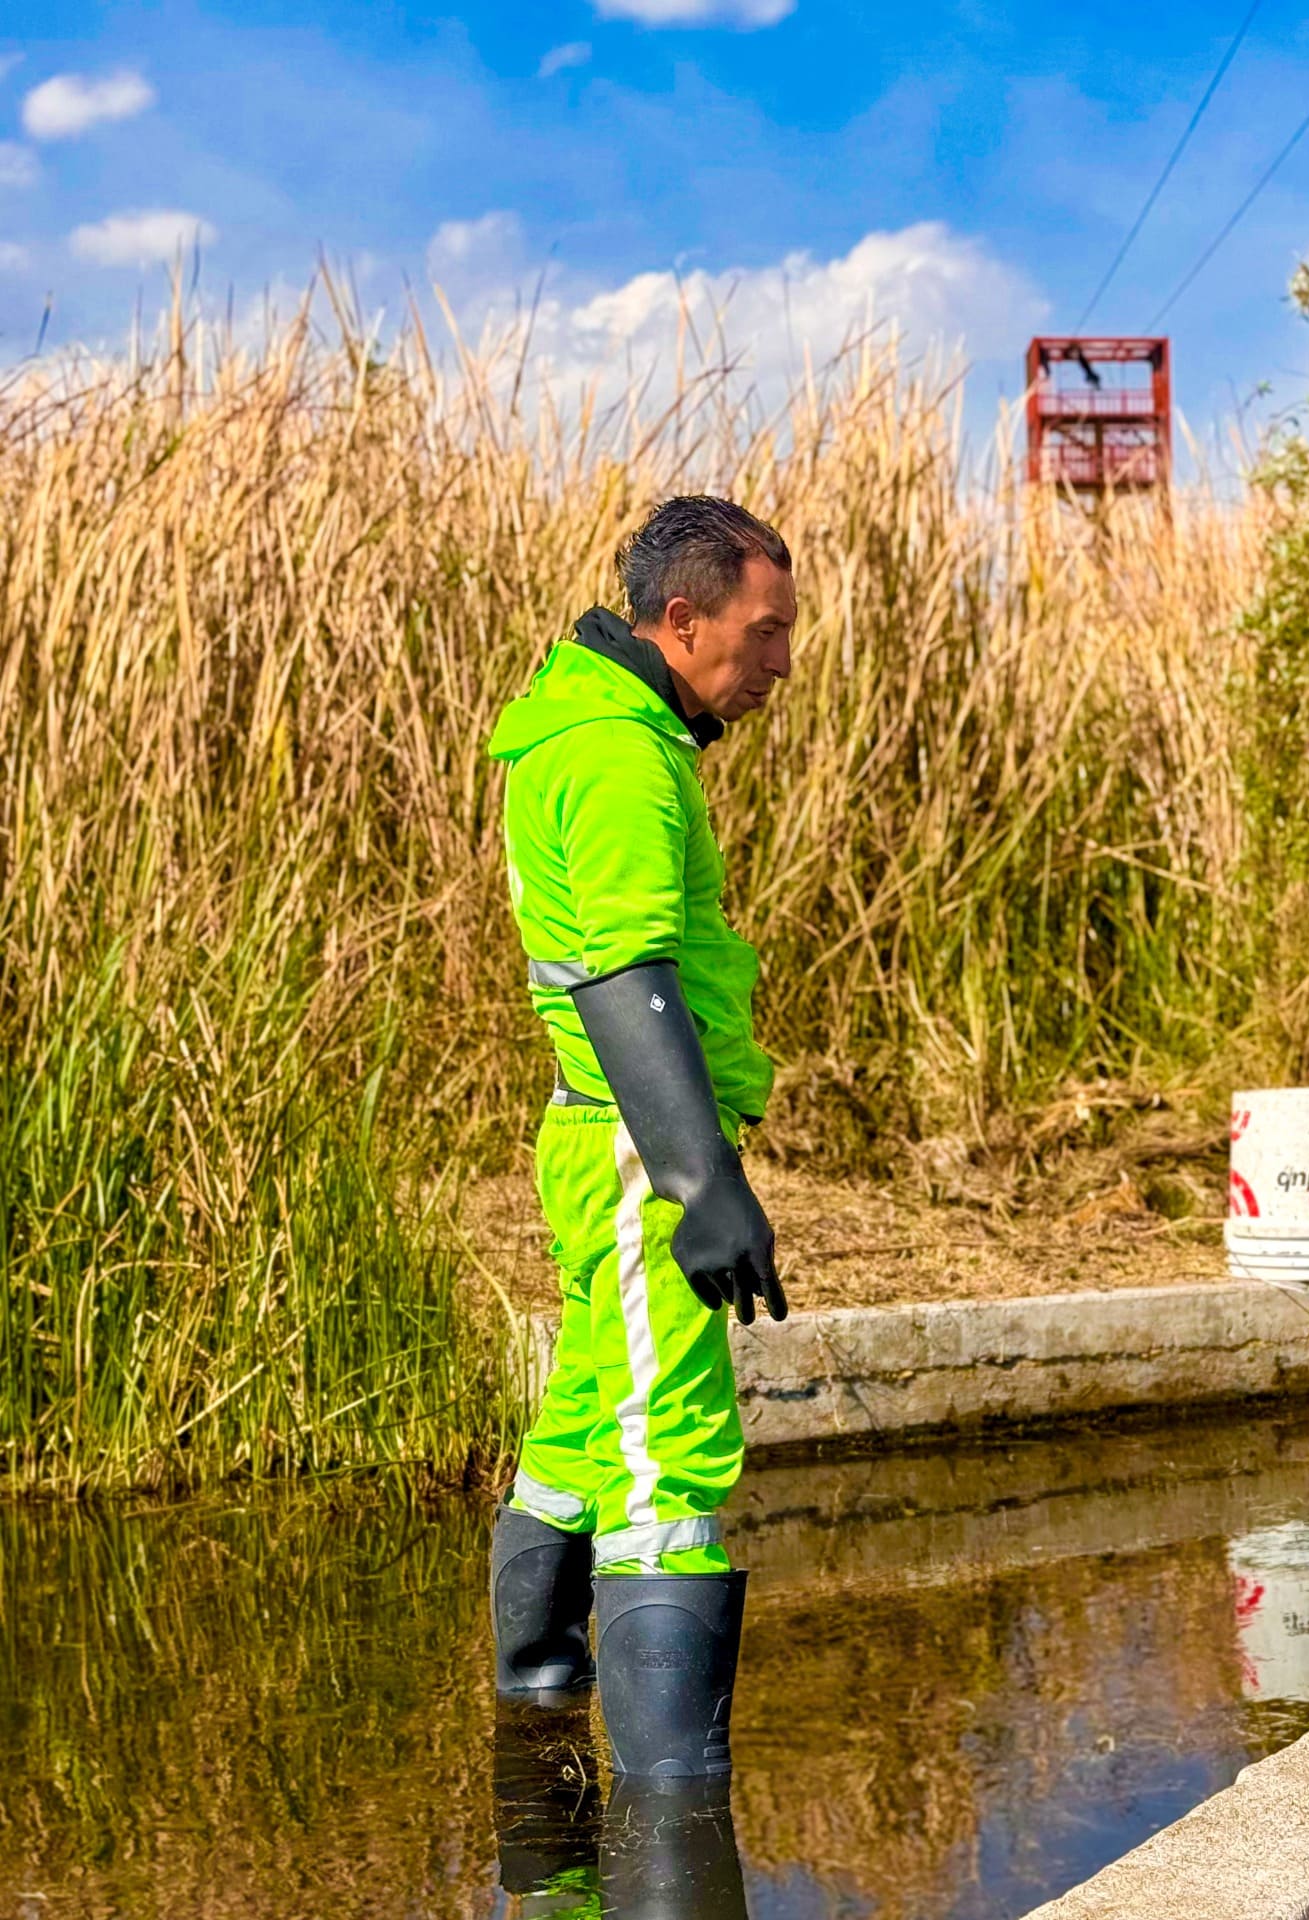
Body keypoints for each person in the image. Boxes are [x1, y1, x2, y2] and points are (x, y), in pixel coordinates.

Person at [484, 494, 796, 1780]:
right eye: (765, 630)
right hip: (633, 1136)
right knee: (670, 1441)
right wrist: (698, 1179)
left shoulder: (599, 728)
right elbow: (626, 976)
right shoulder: (613, 753)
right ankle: (675, 1805)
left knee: (586, 1416)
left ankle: (539, 1716)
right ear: (682, 620)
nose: (781, 660)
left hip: (602, 1131)